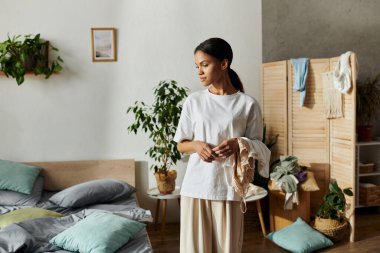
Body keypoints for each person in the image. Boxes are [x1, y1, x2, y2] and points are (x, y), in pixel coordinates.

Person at [174, 38, 269, 253]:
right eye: (197, 66)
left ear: (224, 64)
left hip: (228, 189)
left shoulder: (248, 104)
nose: (199, 71)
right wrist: (196, 145)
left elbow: (260, 147)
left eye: (205, 64)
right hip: (195, 187)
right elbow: (181, 145)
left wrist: (239, 144)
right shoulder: (193, 101)